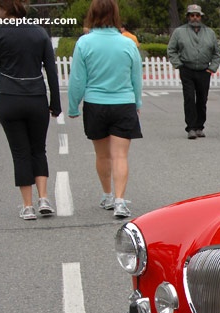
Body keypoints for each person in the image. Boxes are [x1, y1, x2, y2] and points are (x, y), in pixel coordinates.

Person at [0, 0, 60, 220]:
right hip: (36, 98)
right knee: (38, 150)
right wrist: (55, 103)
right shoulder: (39, 32)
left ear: (5, 8)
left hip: (10, 99)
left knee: (20, 152)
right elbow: (51, 70)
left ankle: (27, 206)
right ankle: (44, 199)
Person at [67, 0, 144, 220]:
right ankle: (120, 201)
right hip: (123, 103)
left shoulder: (84, 43)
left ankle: (107, 195)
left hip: (95, 104)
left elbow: (78, 79)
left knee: (102, 155)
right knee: (120, 155)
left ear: (92, 14)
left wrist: (74, 106)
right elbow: (135, 77)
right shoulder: (128, 43)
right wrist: (137, 103)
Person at [167, 4, 220, 140]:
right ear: (188, 17)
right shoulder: (179, 32)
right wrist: (179, 65)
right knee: (189, 98)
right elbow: (171, 50)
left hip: (204, 70)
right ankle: (190, 128)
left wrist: (212, 68)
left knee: (202, 99)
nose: (195, 18)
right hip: (187, 70)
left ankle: (199, 127)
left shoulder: (210, 33)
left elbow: (216, 53)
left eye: (197, 15)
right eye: (192, 15)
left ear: (201, 17)